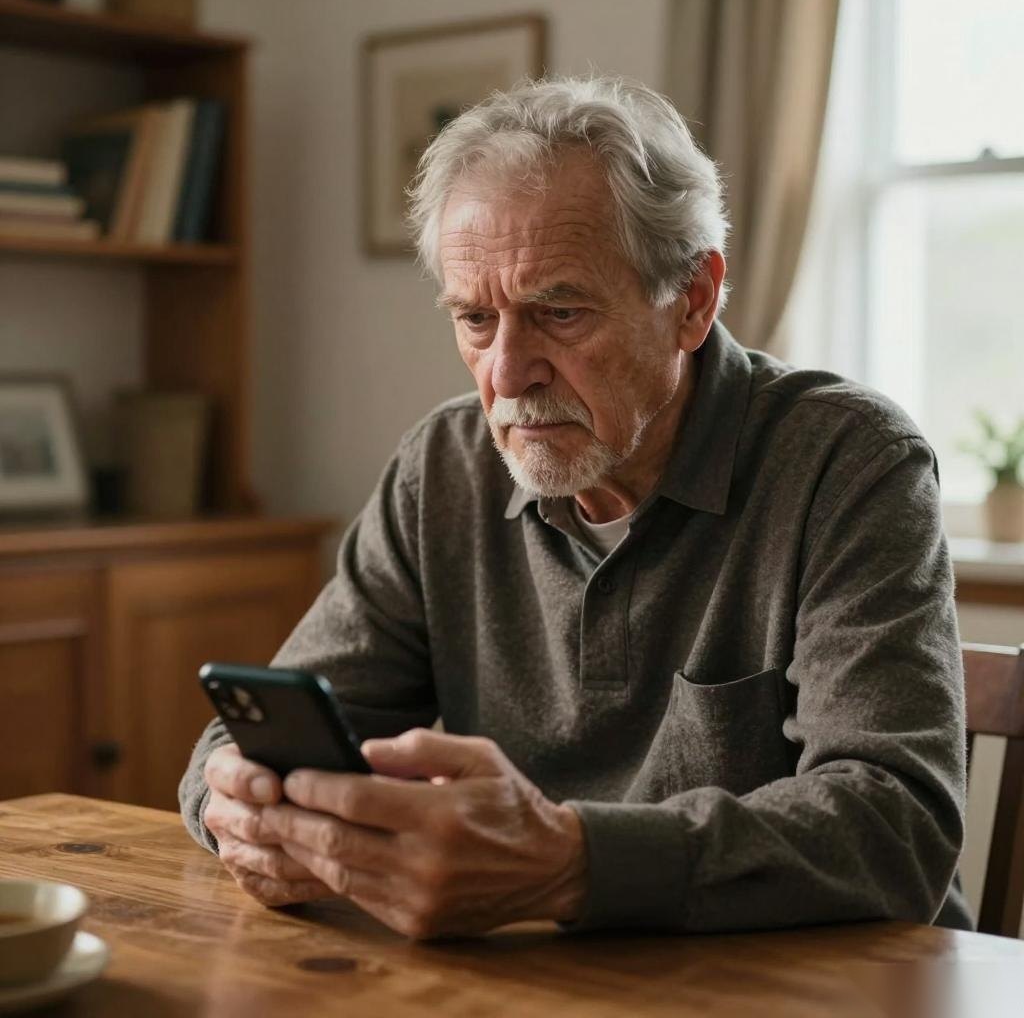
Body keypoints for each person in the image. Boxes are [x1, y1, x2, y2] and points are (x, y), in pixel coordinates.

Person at [179, 76, 971, 938]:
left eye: (558, 312)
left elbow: (897, 827)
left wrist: (569, 862)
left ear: (693, 300)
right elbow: (257, 733)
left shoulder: (850, 463)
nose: (507, 374)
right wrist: (238, 803)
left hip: (820, 980)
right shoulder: (442, 469)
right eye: (475, 319)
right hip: (535, 974)